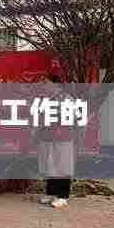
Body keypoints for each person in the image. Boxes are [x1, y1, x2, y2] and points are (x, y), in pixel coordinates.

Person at [37, 74, 74, 208]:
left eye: (47, 83)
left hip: (62, 137)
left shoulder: (67, 99)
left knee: (61, 165)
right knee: (50, 164)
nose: (45, 86)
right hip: (47, 137)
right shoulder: (45, 99)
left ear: (56, 85)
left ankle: (63, 196)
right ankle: (51, 193)